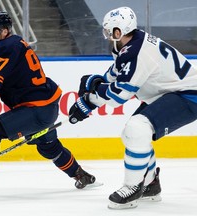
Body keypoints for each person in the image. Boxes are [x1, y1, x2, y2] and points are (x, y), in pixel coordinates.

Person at [0, 11, 96, 195]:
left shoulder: (6, 47)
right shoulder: (15, 43)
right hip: (46, 107)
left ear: (4, 31)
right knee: (48, 146)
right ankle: (81, 175)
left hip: (36, 109)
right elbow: (3, 79)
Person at [69, 6, 197, 209]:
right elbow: (114, 75)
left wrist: (94, 91)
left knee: (136, 129)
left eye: (109, 30)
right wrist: (89, 101)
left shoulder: (136, 51)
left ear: (118, 31)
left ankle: (133, 187)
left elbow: (119, 95)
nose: (106, 34)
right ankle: (150, 184)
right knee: (133, 134)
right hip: (169, 92)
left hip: (189, 95)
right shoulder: (130, 44)